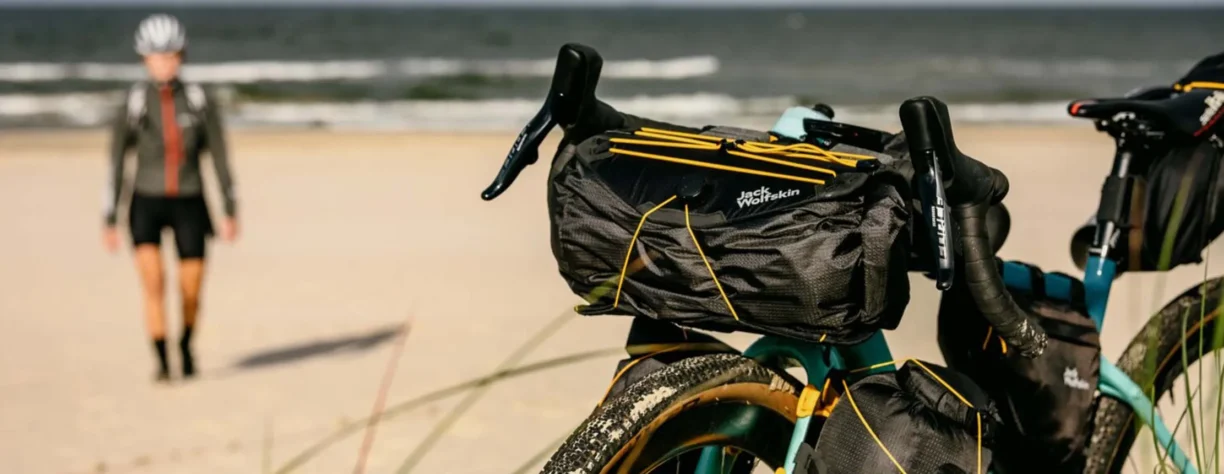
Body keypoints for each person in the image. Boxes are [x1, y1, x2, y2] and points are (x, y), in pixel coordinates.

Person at [102, 14, 238, 383]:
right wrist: (109, 216)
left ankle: (186, 344)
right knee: (154, 284)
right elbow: (116, 160)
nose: (164, 62)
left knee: (190, 289)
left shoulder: (198, 100)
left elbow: (220, 155)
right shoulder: (133, 102)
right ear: (144, 58)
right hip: (145, 202)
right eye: (156, 56)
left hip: (191, 202)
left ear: (182, 56)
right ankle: (162, 362)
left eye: (171, 55)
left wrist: (230, 208)